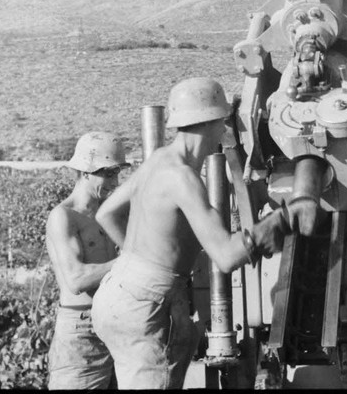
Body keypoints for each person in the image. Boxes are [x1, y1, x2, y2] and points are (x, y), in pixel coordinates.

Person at [91, 77, 291, 389]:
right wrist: (281, 220)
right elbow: (225, 256)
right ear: (214, 123)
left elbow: (106, 213)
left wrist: (140, 262)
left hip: (117, 293)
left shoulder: (159, 159)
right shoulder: (183, 178)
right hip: (147, 305)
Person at [45, 131, 130, 390]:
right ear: (84, 172)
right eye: (108, 173)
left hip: (114, 324)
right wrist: (130, 261)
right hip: (81, 330)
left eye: (117, 173)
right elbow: (76, 279)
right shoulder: (64, 216)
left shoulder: (112, 213)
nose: (115, 181)